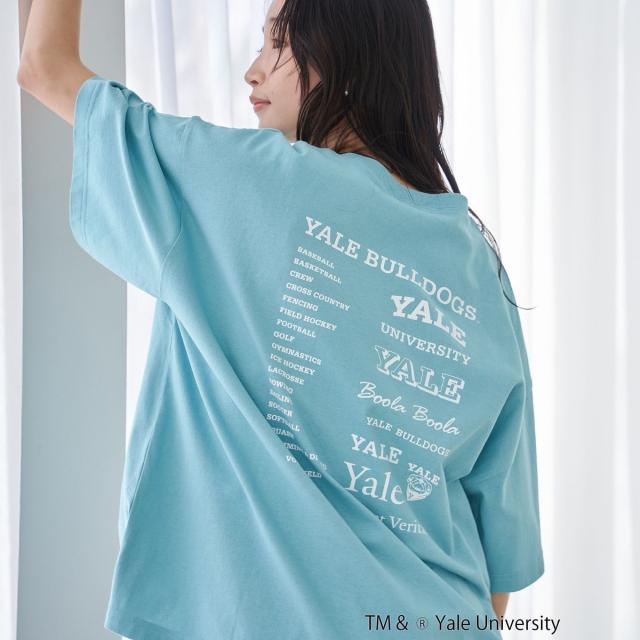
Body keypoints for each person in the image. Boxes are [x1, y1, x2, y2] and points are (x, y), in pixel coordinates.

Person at [18, 0, 545, 638]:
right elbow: (499, 555)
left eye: (277, 42)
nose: (253, 70)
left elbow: (45, 66)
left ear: (343, 53)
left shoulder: (238, 181)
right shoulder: (479, 266)